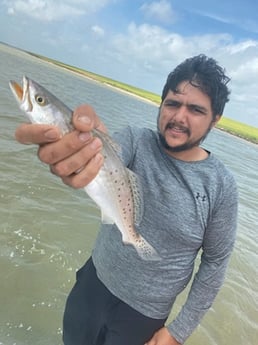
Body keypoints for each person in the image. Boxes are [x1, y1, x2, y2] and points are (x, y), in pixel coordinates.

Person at [15, 54, 238, 345]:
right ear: (161, 103)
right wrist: (82, 152)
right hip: (93, 284)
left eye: (195, 109)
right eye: (172, 103)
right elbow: (104, 160)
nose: (179, 117)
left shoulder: (222, 186)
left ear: (215, 120)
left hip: (143, 317)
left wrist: (177, 332)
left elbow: (216, 263)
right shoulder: (134, 140)